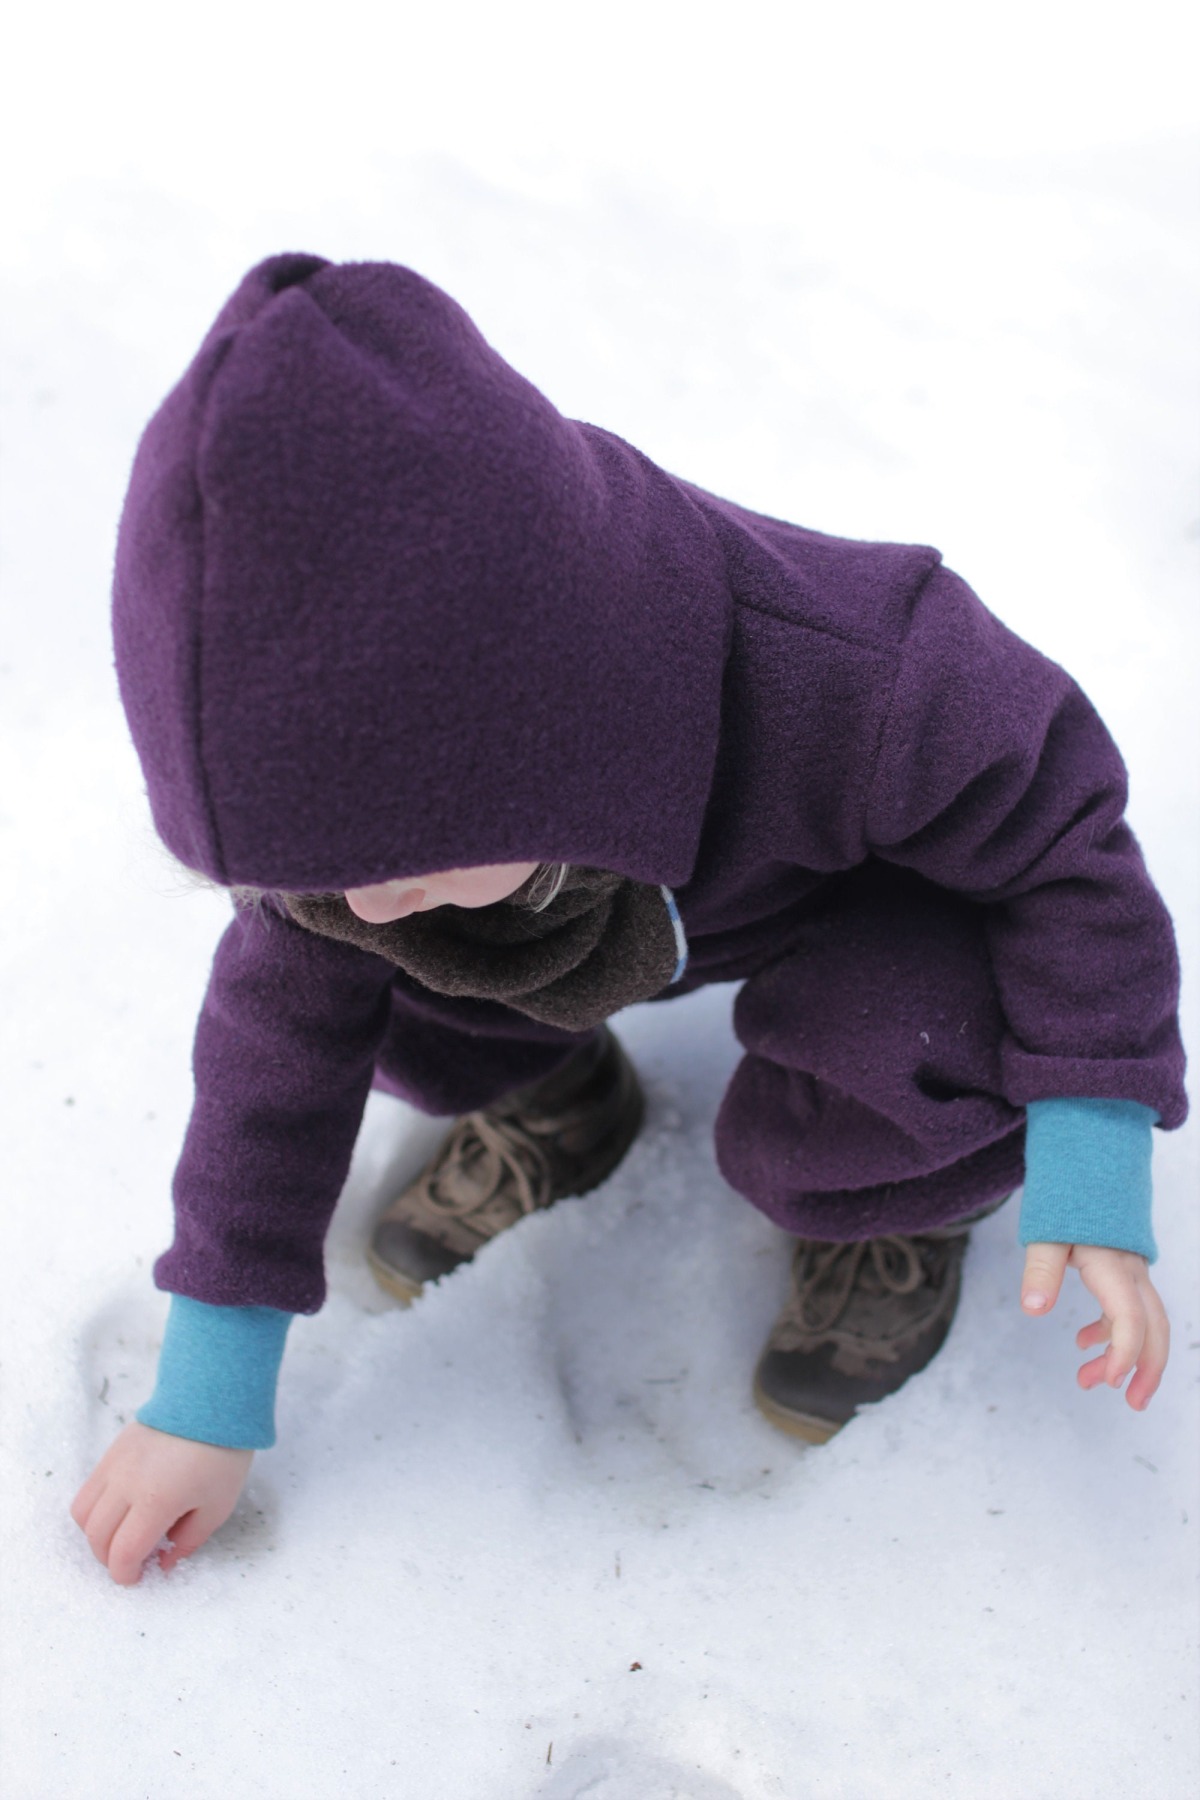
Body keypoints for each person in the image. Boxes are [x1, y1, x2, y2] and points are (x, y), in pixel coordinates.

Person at [71, 253, 1186, 1586]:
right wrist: (205, 1388)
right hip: (593, 909)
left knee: (905, 1027)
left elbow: (1062, 834)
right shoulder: (359, 865)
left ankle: (885, 1205)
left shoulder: (861, 674)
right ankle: (557, 1101)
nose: (360, 900)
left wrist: (1091, 1127)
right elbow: (272, 1071)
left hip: (853, 903)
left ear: (547, 729)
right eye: (313, 872)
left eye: (406, 858)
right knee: (363, 981)